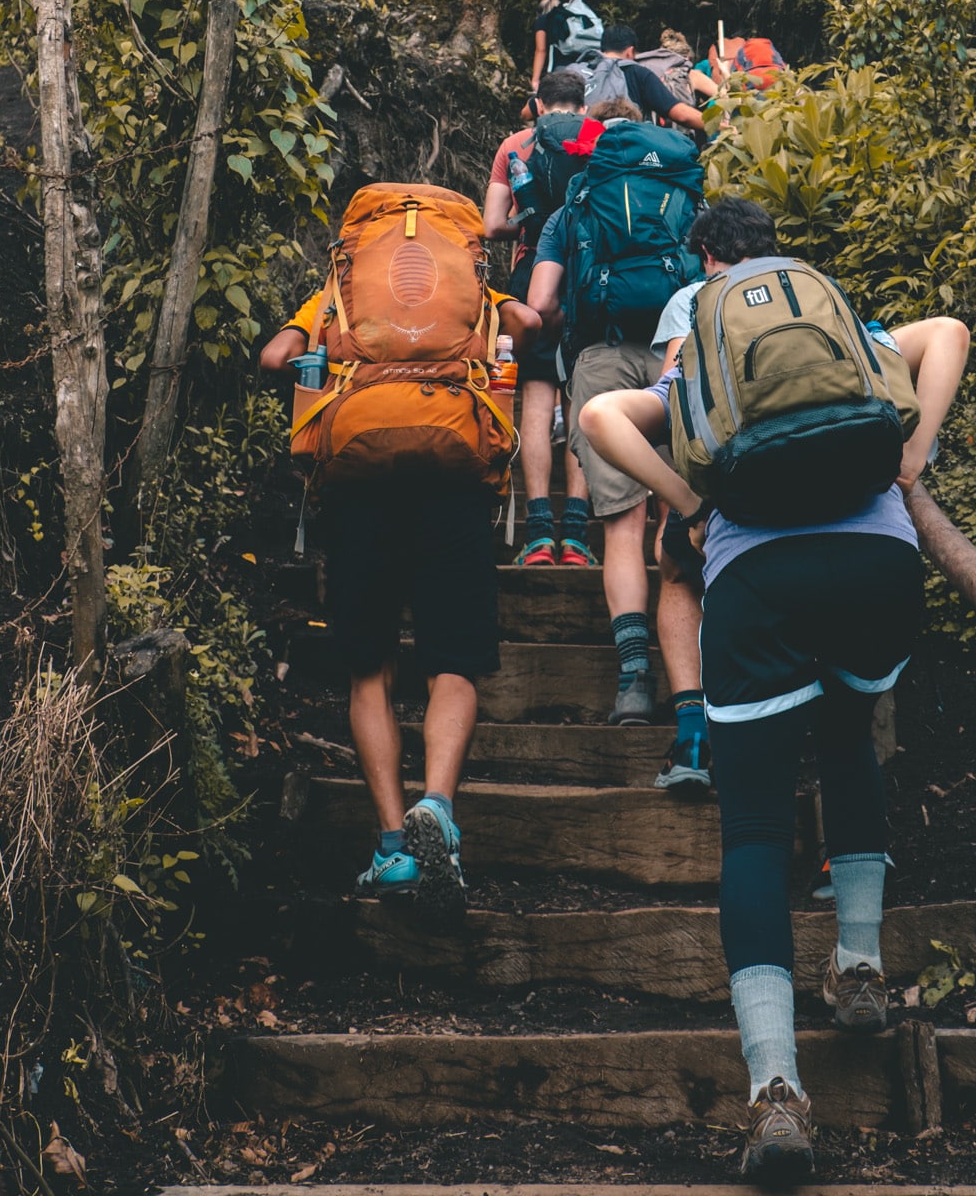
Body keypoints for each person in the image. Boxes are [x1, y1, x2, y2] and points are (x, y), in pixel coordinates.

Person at [576, 223, 970, 1184]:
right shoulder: (844, 330)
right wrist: (910, 454)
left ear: (710, 274)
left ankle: (776, 1094)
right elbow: (948, 331)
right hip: (879, 563)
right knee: (850, 748)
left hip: (757, 578)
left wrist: (691, 504)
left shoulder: (704, 347)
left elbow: (598, 424)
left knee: (752, 827)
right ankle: (863, 963)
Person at [260, 238, 542, 921]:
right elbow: (529, 326)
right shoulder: (469, 284)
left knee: (369, 668)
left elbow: (275, 356)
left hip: (358, 485)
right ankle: (437, 807)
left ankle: (391, 847)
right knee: (455, 661)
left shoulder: (341, 287)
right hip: (453, 479)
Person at [528, 112, 704, 725]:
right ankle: (693, 666)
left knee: (622, 526)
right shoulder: (682, 197)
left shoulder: (571, 209)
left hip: (600, 362)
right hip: (678, 354)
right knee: (674, 508)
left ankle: (634, 673)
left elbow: (542, 303)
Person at [648, 197, 780, 795]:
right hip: (807, 472)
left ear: (706, 253)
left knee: (676, 569)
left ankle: (693, 731)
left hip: (726, 480)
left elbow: (673, 396)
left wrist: (680, 499)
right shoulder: (808, 287)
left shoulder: (695, 298)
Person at [483, 69, 595, 567]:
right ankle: (576, 536)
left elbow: (491, 225)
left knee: (537, 394)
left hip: (533, 278)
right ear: (583, 106)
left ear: (538, 103)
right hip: (591, 276)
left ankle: (538, 535)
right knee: (583, 396)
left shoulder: (514, 144)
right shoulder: (598, 139)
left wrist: (529, 222)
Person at [583, 24, 706, 133]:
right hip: (624, 149)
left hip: (581, 148)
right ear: (630, 52)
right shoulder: (637, 73)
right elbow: (681, 115)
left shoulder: (581, 71)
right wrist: (718, 125)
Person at [531, 0, 602, 90]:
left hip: (562, 68)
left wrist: (535, 80)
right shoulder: (573, 17)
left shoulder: (543, 20)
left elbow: (541, 49)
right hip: (587, 67)